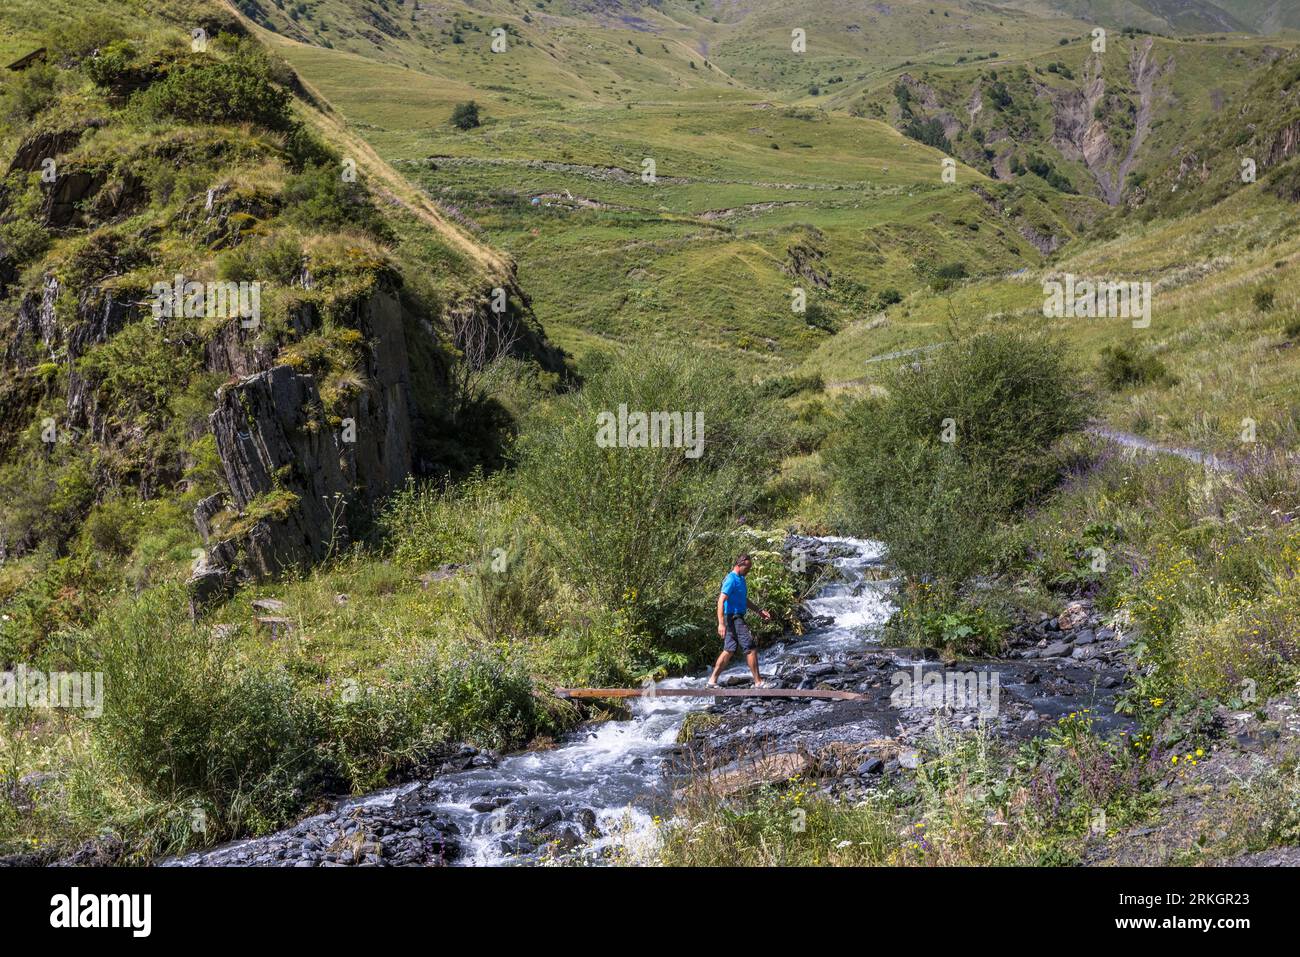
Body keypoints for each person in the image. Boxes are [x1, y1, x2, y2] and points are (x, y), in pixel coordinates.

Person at [707, 554, 772, 689]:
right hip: (733, 617)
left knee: (729, 649)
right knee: (750, 648)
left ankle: (712, 681)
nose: (748, 571)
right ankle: (758, 682)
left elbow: (744, 600)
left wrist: (759, 611)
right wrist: (721, 623)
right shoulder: (731, 579)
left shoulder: (741, 579)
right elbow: (721, 600)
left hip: (736, 616)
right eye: (747, 568)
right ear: (740, 564)